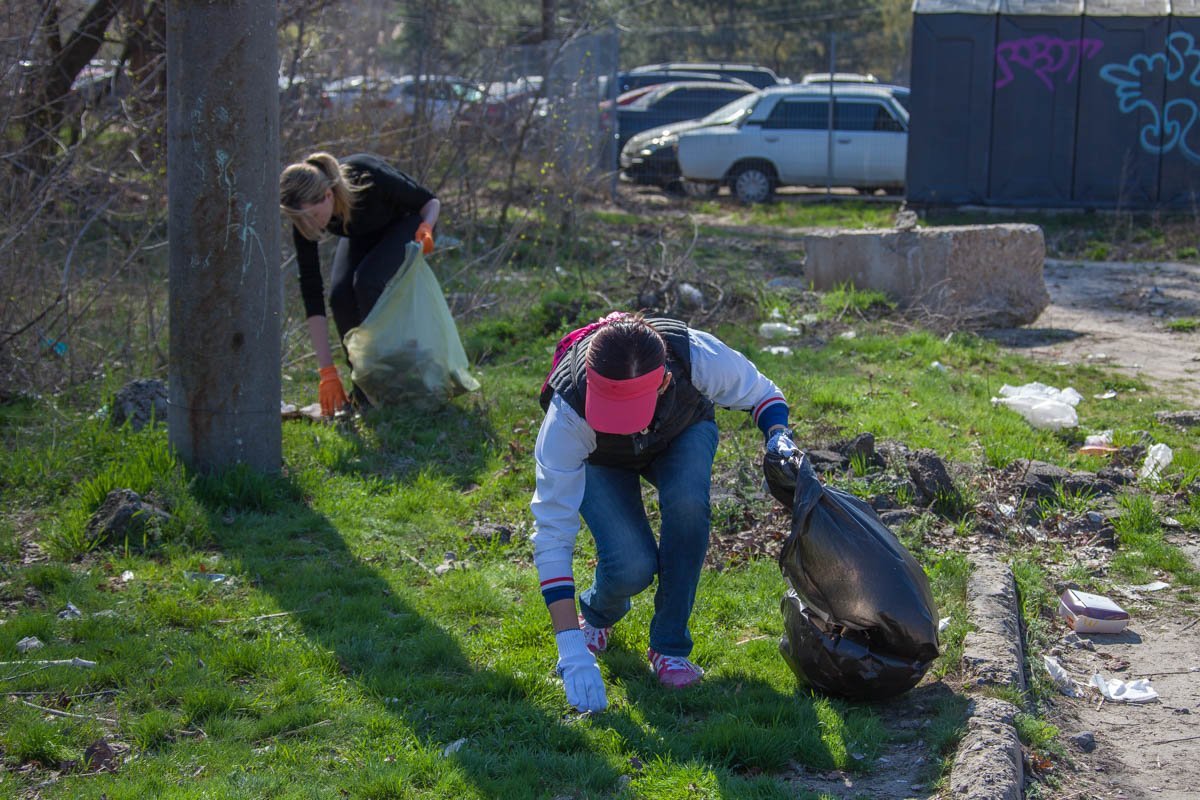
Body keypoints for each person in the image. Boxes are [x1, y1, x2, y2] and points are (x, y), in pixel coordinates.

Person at [531, 312, 799, 712]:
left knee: (689, 506)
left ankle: (669, 648)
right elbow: (552, 533)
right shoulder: (568, 412)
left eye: (628, 411)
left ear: (664, 382)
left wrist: (778, 436)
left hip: (681, 432)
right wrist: (570, 649)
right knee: (630, 566)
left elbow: (763, 394)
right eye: (610, 409)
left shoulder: (693, 353)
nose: (621, 425)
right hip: (601, 459)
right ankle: (600, 614)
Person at [279, 152, 441, 415]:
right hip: (362, 235)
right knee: (340, 297)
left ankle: (399, 384)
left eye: (312, 216)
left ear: (329, 196)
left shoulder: (368, 175)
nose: (306, 226)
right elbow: (312, 292)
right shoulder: (305, 219)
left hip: (407, 224)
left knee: (367, 283)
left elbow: (430, 202)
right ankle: (365, 388)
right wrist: (327, 371)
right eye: (299, 220)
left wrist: (427, 228)